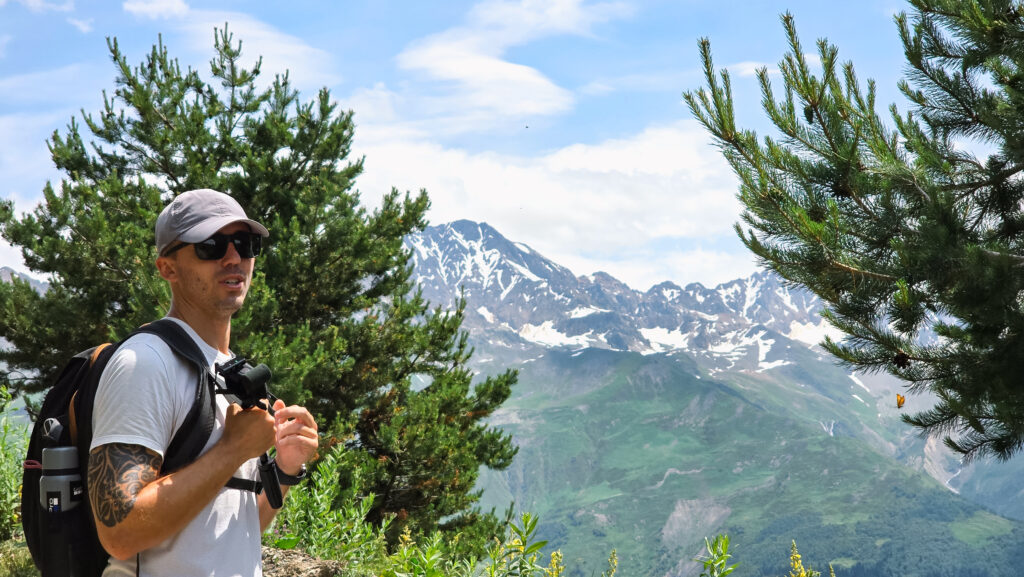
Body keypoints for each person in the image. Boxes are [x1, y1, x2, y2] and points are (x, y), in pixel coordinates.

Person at [86, 188, 319, 576]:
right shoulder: (144, 363)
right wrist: (233, 450)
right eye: (211, 246)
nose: (233, 258)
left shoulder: (226, 368)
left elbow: (234, 531)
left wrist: (284, 469)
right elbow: (119, 531)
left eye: (245, 244)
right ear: (168, 268)